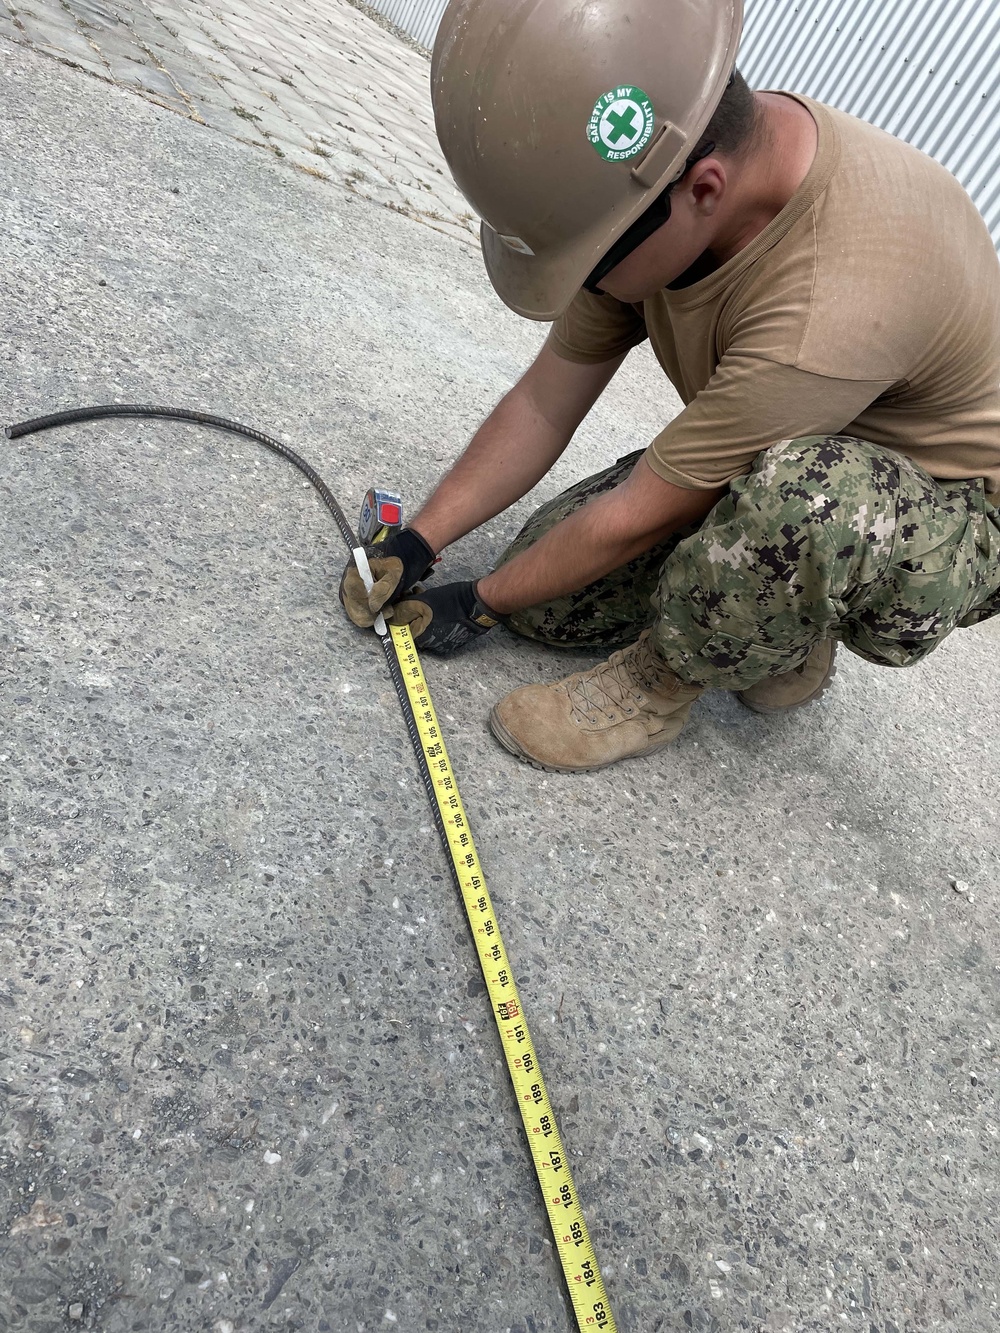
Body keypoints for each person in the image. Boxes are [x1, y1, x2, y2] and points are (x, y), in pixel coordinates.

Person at [341, 0, 1000, 773]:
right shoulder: (660, 182)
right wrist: (423, 538)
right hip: (796, 435)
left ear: (705, 190)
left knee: (805, 502)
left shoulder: (831, 303)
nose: (584, 282)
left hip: (942, 517)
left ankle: (663, 685)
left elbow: (634, 516)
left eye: (589, 261)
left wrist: (483, 601)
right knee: (553, 602)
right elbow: (544, 401)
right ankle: (782, 616)